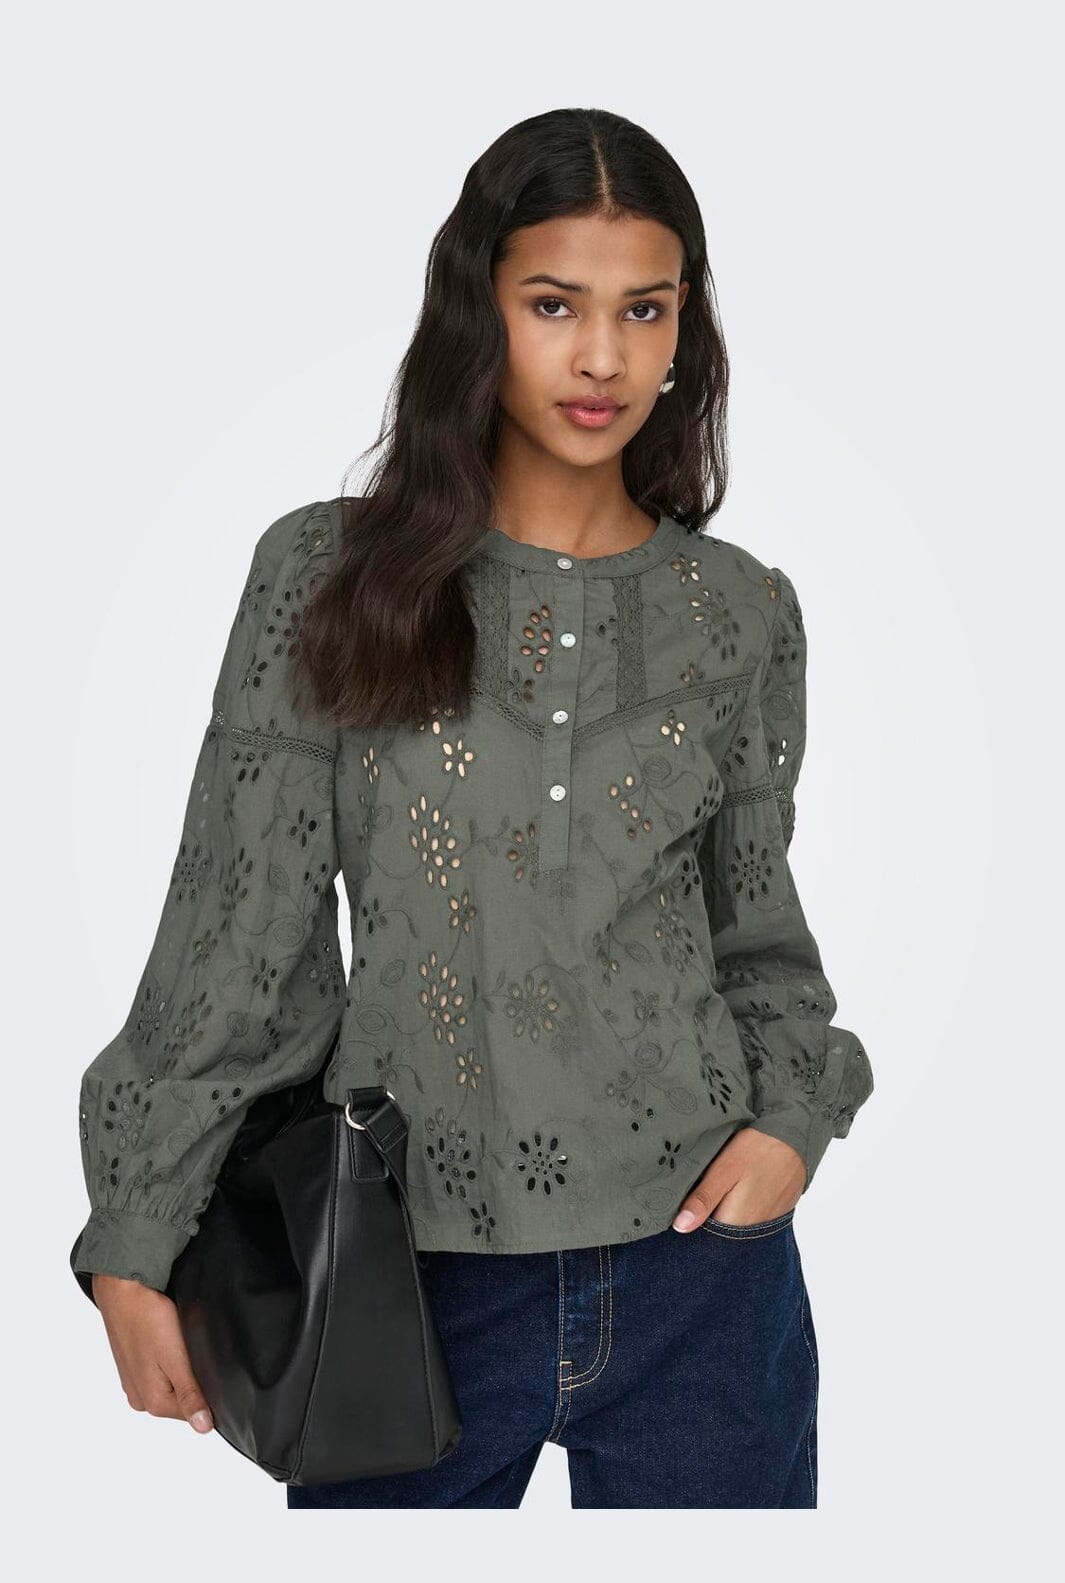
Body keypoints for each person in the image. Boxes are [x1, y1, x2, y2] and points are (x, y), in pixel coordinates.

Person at [70, 106, 874, 1509]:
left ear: (685, 329)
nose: (602, 356)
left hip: (704, 1277)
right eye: (554, 304)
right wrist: (138, 1236)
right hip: (399, 1279)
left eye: (644, 309)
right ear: (475, 309)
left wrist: (790, 1126)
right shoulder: (329, 578)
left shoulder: (738, 610)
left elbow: (756, 938)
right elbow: (237, 935)